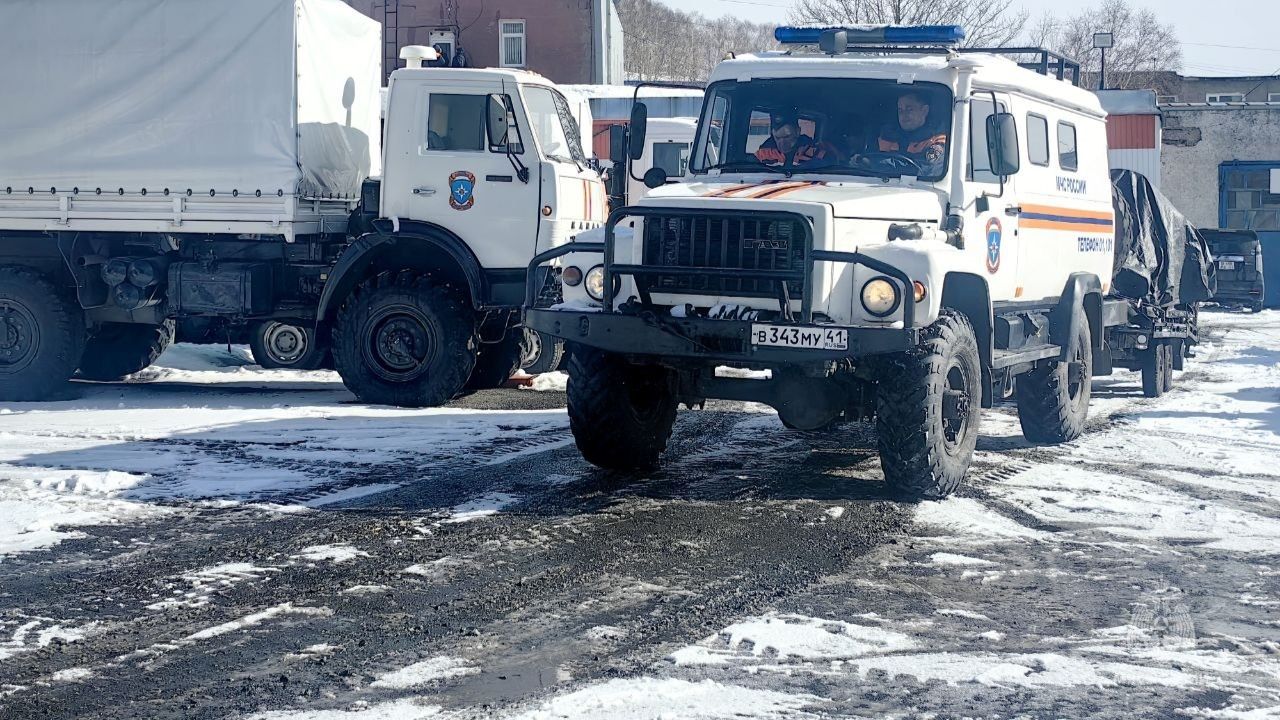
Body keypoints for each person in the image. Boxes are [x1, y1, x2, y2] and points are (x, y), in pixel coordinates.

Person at [873, 91, 949, 175]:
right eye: (900, 110)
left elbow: (923, 169)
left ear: (924, 111)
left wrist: (878, 165)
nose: (903, 115)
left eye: (909, 109)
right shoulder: (886, 136)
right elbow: (867, 160)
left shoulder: (938, 141)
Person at [755, 113, 826, 166]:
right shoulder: (764, 154)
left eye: (787, 137)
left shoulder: (815, 153)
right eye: (777, 138)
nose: (782, 143)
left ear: (798, 131)